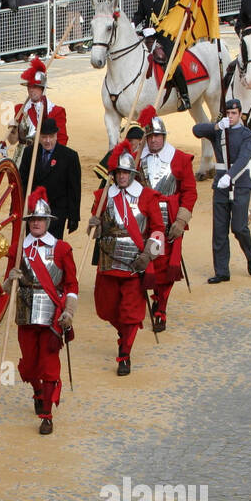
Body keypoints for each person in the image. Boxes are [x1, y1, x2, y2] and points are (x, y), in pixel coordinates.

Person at [87, 151, 165, 376]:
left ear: (132, 173)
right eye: (118, 173)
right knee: (107, 309)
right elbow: (96, 231)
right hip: (108, 263)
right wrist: (94, 225)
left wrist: (148, 255)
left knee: (130, 313)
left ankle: (124, 354)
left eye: (125, 172)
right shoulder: (103, 196)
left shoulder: (147, 197)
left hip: (134, 265)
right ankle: (124, 334)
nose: (121, 177)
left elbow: (158, 230)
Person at [8, 189, 78, 433]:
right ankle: (37, 391)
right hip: (25, 314)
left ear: (47, 222)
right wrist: (10, 279)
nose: (36, 223)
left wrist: (68, 312)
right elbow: (8, 284)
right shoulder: (18, 249)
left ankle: (47, 414)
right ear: (28, 223)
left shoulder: (61, 249)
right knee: (28, 366)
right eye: (32, 220)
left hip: (51, 317)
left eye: (40, 220)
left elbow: (71, 284)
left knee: (49, 366)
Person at [138, 113, 198, 331]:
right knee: (147, 262)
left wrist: (181, 220)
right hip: (144, 219)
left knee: (165, 268)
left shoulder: (180, 159)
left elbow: (189, 192)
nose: (154, 140)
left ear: (164, 137)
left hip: (168, 219)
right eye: (150, 136)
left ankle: (161, 306)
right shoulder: (136, 159)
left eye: (158, 136)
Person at [193, 100, 251, 283]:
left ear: (240, 114)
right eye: (228, 113)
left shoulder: (248, 135)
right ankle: (222, 271)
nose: (230, 117)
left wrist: (229, 176)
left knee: (238, 227)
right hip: (221, 187)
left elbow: (244, 158)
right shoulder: (219, 131)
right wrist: (216, 126)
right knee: (219, 231)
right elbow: (197, 130)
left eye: (234, 113)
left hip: (239, 183)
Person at [134, 0, 189, 107]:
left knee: (170, 61)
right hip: (146, 32)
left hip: (165, 34)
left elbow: (173, 18)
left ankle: (184, 95)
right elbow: (140, 13)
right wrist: (133, 23)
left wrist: (156, 30)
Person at [18, 117, 81, 240]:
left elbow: (74, 189)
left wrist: (74, 216)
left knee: (52, 250)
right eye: (44, 137)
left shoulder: (69, 156)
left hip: (56, 213)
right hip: (34, 212)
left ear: (56, 135)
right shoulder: (29, 153)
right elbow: (22, 182)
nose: (47, 141)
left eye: (51, 137)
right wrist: (19, 208)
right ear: (39, 136)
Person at [6, 56, 68, 148]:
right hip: (22, 157)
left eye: (35, 87)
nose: (31, 90)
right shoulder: (20, 109)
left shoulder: (56, 112)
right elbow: (12, 141)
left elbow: (62, 142)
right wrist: (12, 130)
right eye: (29, 86)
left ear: (42, 89)